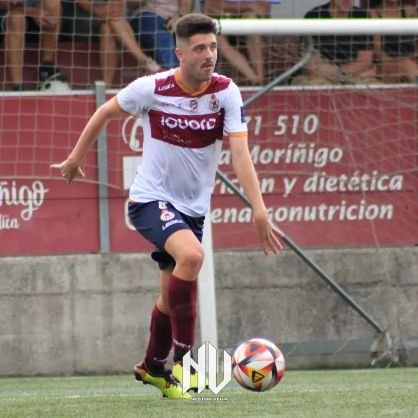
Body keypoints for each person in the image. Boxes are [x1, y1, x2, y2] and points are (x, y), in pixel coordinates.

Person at [50, 13, 283, 399]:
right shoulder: (152, 87)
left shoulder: (226, 92)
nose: (209, 55)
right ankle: (185, 364)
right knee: (192, 256)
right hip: (149, 200)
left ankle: (153, 366)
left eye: (213, 46)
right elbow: (105, 112)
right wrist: (75, 158)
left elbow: (240, 154)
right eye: (200, 48)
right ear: (180, 53)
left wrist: (258, 209)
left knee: (169, 297)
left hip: (192, 210)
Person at [74, 0, 160, 87]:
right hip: (86, 14)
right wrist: (99, 10)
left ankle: (106, 84)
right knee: (114, 18)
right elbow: (83, 3)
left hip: (117, 17)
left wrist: (117, 4)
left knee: (107, 29)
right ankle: (144, 60)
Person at [295, 0, 377, 85]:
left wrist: (338, 72)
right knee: (323, 86)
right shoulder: (314, 16)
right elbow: (311, 68)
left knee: (374, 85)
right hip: (319, 77)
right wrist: (352, 72)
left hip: (351, 76)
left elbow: (364, 62)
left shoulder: (362, 16)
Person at [203, 0, 280, 85]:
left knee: (251, 18)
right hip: (221, 26)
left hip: (246, 26)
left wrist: (229, 8)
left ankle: (260, 80)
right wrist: (249, 6)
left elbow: (264, 9)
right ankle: (255, 79)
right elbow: (211, 7)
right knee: (217, 38)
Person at [0, 0, 67, 91]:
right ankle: (17, 85)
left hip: (35, 11)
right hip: (8, 12)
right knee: (16, 20)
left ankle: (46, 68)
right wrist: (32, 11)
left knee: (53, 5)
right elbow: (4, 4)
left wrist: (37, 9)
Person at [128, 0, 194, 70]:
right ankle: (175, 76)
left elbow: (186, 2)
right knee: (164, 40)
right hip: (146, 15)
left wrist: (180, 17)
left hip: (175, 17)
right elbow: (129, 4)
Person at [369, 0, 418, 83]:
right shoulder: (373, 13)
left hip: (411, 63)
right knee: (405, 65)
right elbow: (377, 51)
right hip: (385, 64)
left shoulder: (410, 11)